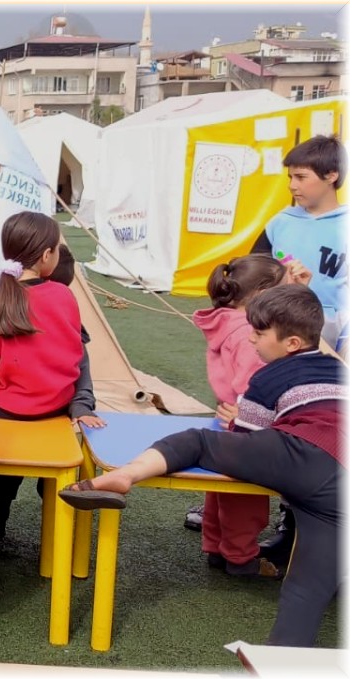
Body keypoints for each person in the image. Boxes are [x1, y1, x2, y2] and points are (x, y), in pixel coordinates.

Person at [60, 284, 344, 648]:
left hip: (303, 453)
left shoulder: (269, 375)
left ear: (290, 344)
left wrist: (234, 420)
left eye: (259, 334)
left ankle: (125, 474)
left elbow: (245, 434)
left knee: (198, 442)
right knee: (308, 590)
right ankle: (285, 658)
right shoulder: (336, 368)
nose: (252, 341)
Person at [0, 212, 83, 557]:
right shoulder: (64, 298)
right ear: (47, 256)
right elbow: (74, 355)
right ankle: (40, 526)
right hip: (56, 410)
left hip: (4, 412)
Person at [188, 255, 288, 575]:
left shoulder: (224, 321)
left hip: (226, 417)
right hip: (245, 421)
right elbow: (253, 383)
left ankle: (217, 547)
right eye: (283, 291)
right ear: (261, 294)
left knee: (221, 492)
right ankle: (241, 558)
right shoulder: (250, 334)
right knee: (246, 498)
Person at [251, 135, 347, 348]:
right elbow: (253, 273)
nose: (292, 185)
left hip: (333, 338)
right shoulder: (279, 222)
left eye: (301, 177)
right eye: (290, 177)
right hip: (278, 327)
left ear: (332, 175)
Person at [46, 244, 105, 429]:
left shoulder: (69, 326)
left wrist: (82, 406)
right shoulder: (3, 312)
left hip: (53, 411)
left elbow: (82, 368)